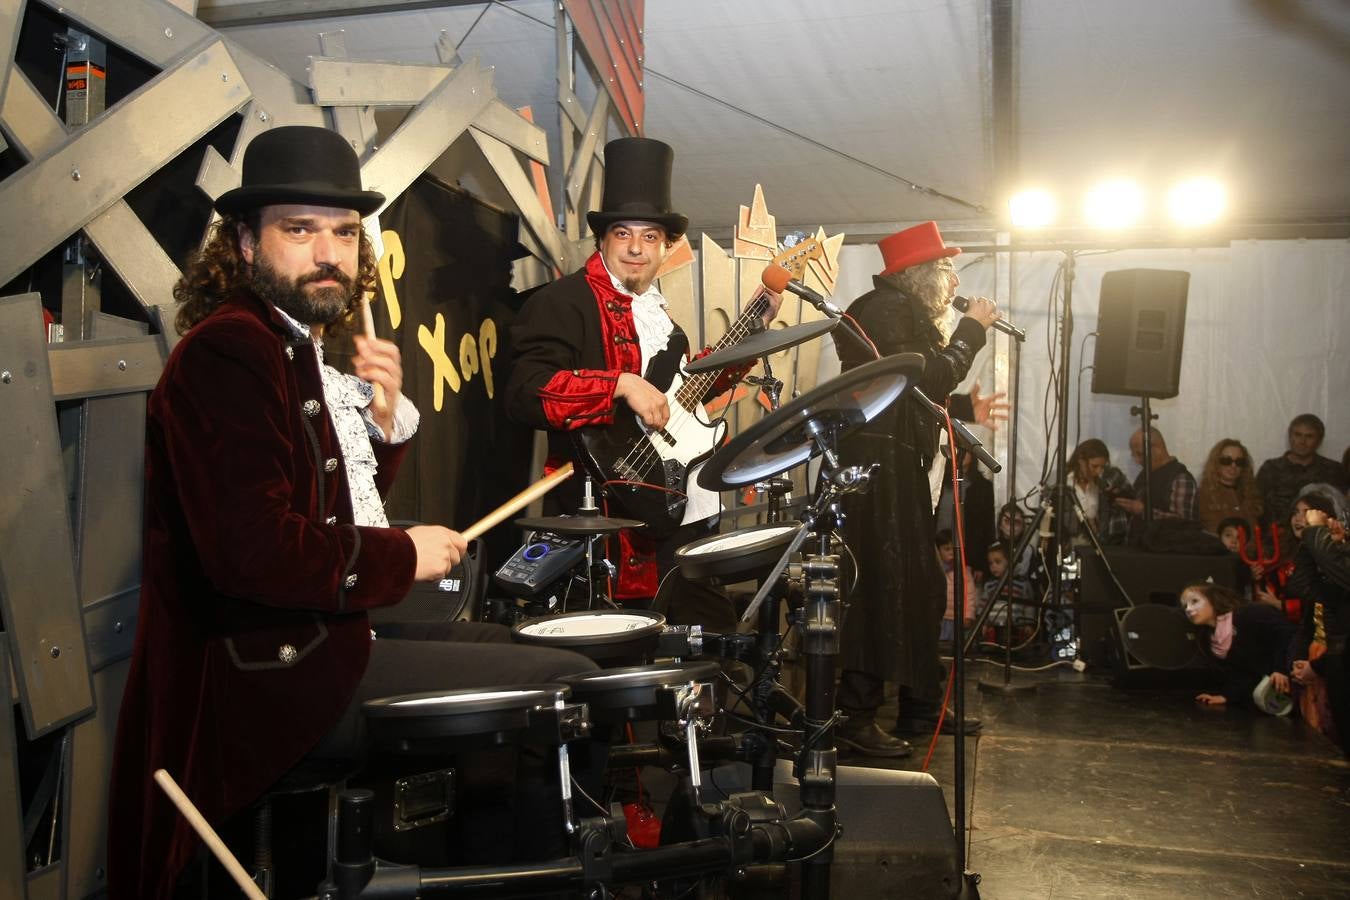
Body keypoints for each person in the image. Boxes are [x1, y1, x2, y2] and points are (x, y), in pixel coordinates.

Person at [108, 126, 595, 900]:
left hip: (311, 637)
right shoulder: (228, 351)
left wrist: (378, 423)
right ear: (242, 243)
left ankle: (483, 867)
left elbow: (321, 502)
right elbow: (253, 552)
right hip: (265, 675)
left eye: (341, 232)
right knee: (558, 684)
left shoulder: (288, 343)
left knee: (511, 641)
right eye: (298, 230)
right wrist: (403, 556)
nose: (328, 251)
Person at [505, 137, 779, 627]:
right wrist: (617, 385)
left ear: (666, 247)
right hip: (605, 521)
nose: (636, 248)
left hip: (680, 508)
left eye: (650, 236)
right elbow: (527, 392)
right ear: (603, 239)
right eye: (623, 234)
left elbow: (685, 393)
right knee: (619, 659)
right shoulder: (563, 302)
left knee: (708, 643)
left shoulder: (663, 321)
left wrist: (753, 329)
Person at [831, 220, 1001, 755]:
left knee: (923, 588)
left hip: (896, 464)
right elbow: (923, 380)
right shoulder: (885, 309)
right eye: (948, 269)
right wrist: (971, 330)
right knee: (877, 587)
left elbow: (916, 396)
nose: (954, 282)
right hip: (876, 470)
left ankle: (921, 706)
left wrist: (969, 408)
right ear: (921, 274)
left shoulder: (902, 314)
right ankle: (855, 719)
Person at [1180, 582, 1295, 709]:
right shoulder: (1212, 640)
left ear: (1213, 599)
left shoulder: (1249, 613)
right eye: (1185, 606)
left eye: (1195, 601)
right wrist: (1226, 696)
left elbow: (1287, 632)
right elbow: (1242, 673)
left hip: (1296, 675)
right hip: (1276, 694)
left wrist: (1281, 669)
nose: (1188, 609)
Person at [1256, 414, 1347, 527]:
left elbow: (1342, 510)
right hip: (1277, 539)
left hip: (1320, 539)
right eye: (1297, 435)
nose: (1302, 441)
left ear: (1319, 440)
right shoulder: (1270, 469)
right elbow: (1256, 507)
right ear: (1290, 436)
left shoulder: (1333, 470)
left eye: (1309, 436)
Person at [1116, 426, 1198, 524]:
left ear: (1157, 449)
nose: (1137, 461)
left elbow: (1183, 521)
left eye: (1140, 454)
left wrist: (1144, 511)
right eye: (1134, 456)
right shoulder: (1144, 475)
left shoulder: (1180, 478)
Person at [1061, 438, 1131, 546]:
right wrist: (1083, 523)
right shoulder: (1063, 480)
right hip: (1068, 545)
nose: (1098, 471)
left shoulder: (1102, 483)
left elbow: (1120, 483)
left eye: (1102, 467)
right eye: (1094, 466)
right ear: (1081, 460)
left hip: (1097, 546)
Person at [1197, 438, 1264, 534]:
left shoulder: (1251, 494)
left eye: (1239, 462)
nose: (1233, 465)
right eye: (1226, 460)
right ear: (1216, 463)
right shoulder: (1202, 496)